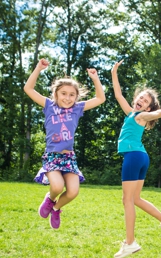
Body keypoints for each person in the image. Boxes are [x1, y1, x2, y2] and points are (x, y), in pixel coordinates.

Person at [111, 60, 161, 258]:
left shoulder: (141, 117)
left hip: (134, 157)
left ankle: (130, 242)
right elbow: (118, 94)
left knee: (127, 200)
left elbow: (156, 113)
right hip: (141, 157)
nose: (141, 101)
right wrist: (114, 72)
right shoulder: (131, 113)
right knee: (135, 199)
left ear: (148, 108)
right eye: (140, 98)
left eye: (145, 101)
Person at [24, 58, 106, 229]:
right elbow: (28, 88)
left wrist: (95, 79)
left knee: (73, 191)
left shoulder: (77, 109)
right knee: (57, 185)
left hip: (69, 158)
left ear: (76, 97)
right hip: (52, 156)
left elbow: (100, 98)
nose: (67, 98)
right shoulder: (48, 105)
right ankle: (50, 199)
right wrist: (38, 68)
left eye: (72, 95)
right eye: (63, 93)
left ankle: (56, 208)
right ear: (56, 94)